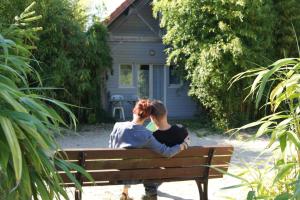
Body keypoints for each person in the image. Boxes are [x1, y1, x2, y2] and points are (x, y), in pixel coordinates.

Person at [109, 99, 189, 200]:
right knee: (149, 168)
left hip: (117, 174)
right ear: (147, 117)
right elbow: (167, 152)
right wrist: (183, 145)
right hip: (141, 176)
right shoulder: (147, 135)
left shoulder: (117, 126)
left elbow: (111, 147)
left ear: (134, 110)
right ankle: (151, 196)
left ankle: (126, 192)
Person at [143, 100, 189, 200]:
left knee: (150, 169)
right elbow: (188, 140)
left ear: (152, 117)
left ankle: (151, 193)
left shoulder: (150, 135)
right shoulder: (181, 130)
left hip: (157, 172)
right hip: (179, 171)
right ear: (166, 112)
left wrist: (152, 123)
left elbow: (145, 133)